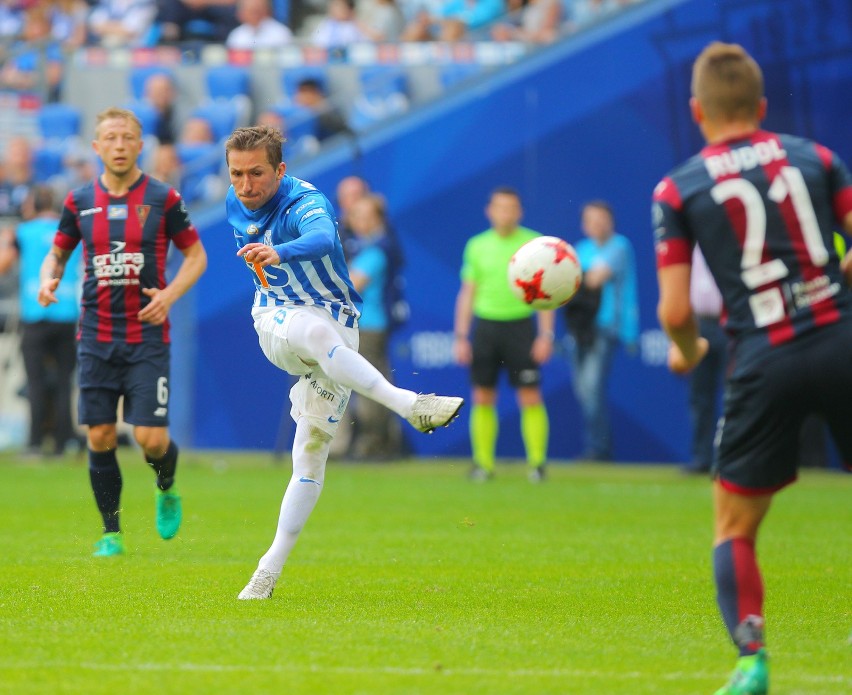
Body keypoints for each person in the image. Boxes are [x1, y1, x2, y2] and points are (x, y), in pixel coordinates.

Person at [653, 41, 852, 695]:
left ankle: (752, 661)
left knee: (734, 524)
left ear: (696, 110)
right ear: (762, 106)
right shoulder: (817, 157)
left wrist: (687, 349)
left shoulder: (678, 188)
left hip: (763, 355)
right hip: (842, 334)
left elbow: (676, 306)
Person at [223, 125, 463, 599]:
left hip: (340, 325)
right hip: (276, 318)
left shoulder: (308, 202)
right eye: (236, 175)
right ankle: (410, 404)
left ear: (281, 171)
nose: (246, 186)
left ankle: (267, 571)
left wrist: (280, 251)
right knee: (313, 332)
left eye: (256, 173)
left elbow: (320, 241)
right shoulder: (237, 201)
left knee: (309, 458)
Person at [36, 107, 208, 558]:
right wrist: (47, 278)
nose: (117, 145)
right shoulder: (77, 201)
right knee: (100, 435)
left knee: (150, 438)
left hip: (147, 334)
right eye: (109, 137)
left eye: (126, 137)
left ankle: (166, 486)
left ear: (139, 145)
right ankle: (111, 533)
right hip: (95, 335)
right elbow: (56, 255)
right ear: (96, 147)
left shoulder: (163, 198)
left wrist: (168, 295)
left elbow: (196, 257)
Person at [452, 186, 554, 482]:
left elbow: (547, 292)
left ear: (519, 212)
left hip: (521, 326)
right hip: (486, 327)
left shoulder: (535, 243)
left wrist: (545, 335)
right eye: (500, 207)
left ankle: (537, 465)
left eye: (511, 208)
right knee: (482, 395)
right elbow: (467, 293)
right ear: (490, 211)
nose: (505, 213)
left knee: (530, 395)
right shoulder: (476, 245)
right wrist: (461, 336)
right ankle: (483, 465)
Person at [0, 185, 82, 457]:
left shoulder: (23, 232)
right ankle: (63, 441)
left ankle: (34, 442)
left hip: (35, 312)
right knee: (63, 381)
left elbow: (4, 263)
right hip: (66, 311)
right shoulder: (70, 232)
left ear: (32, 204)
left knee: (34, 381)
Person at [568, 200, 638, 462]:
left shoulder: (620, 246)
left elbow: (595, 278)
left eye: (601, 219)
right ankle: (597, 446)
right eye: (590, 219)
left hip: (606, 328)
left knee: (593, 388)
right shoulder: (580, 249)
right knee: (583, 390)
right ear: (583, 224)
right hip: (579, 330)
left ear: (611, 221)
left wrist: (562, 275)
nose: (596, 224)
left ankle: (598, 450)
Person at [345, 192, 404, 459]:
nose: (358, 221)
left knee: (369, 385)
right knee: (375, 383)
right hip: (369, 324)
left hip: (368, 325)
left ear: (378, 219)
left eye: (365, 216)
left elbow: (350, 285)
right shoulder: (368, 246)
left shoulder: (377, 249)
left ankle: (374, 444)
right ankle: (380, 442)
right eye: (356, 216)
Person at [684, 245, 725, 474]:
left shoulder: (731, 233)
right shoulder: (687, 241)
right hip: (698, 324)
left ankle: (729, 461)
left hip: (731, 322)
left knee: (736, 395)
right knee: (699, 396)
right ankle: (701, 458)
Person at [225, 0, 293, 50]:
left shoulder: (281, 32)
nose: (255, 14)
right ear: (241, 14)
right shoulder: (236, 35)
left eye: (257, 10)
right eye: (251, 11)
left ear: (266, 10)